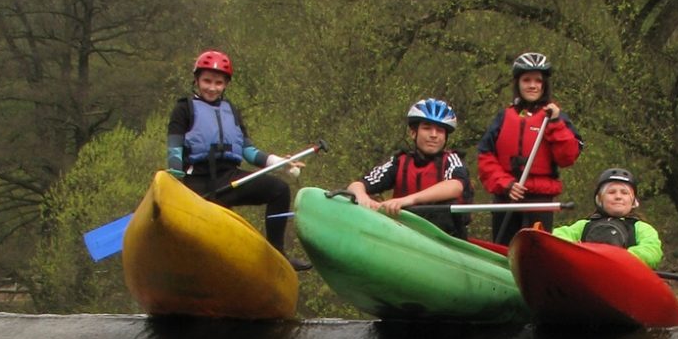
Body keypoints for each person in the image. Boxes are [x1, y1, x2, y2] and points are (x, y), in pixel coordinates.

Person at [166, 50, 311, 270]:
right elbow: (174, 149)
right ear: (196, 80)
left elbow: (249, 151)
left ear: (225, 85)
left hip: (229, 179)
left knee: (279, 190)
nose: (212, 87)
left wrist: (279, 163)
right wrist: (175, 182)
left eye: (218, 83)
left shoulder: (231, 111)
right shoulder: (183, 108)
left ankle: (277, 256)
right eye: (206, 81)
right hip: (197, 182)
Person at [477, 51, 583, 246]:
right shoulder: (503, 118)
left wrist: (555, 123)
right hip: (507, 196)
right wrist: (506, 184)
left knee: (536, 251)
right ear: (518, 83)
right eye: (527, 80)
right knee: (502, 248)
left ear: (544, 85)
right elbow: (485, 157)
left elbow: (567, 157)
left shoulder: (556, 118)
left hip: (539, 200)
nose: (532, 85)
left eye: (538, 81)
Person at [345, 98, 473, 237]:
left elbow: (455, 186)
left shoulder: (452, 160)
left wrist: (408, 200)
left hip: (445, 237)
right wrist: (362, 196)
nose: (433, 135)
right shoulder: (399, 162)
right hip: (403, 234)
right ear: (413, 133)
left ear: (445, 137)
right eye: (427, 128)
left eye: (440, 130)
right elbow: (357, 185)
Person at [553, 167, 663, 267]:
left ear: (633, 201)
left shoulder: (641, 228)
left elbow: (652, 251)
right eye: (611, 192)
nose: (618, 197)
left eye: (624, 193)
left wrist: (620, 257)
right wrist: (579, 253)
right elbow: (557, 236)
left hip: (624, 278)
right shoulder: (584, 225)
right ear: (600, 199)